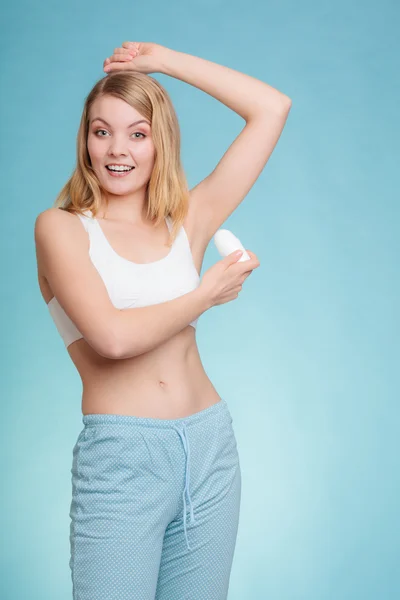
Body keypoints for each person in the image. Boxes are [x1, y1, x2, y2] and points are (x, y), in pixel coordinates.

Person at [34, 41, 291, 600]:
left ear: (160, 142)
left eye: (138, 132)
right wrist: (205, 294)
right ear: (84, 141)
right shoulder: (61, 228)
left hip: (210, 446)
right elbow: (112, 338)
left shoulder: (187, 221)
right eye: (101, 131)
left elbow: (271, 108)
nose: (117, 149)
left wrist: (164, 62)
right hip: (123, 458)